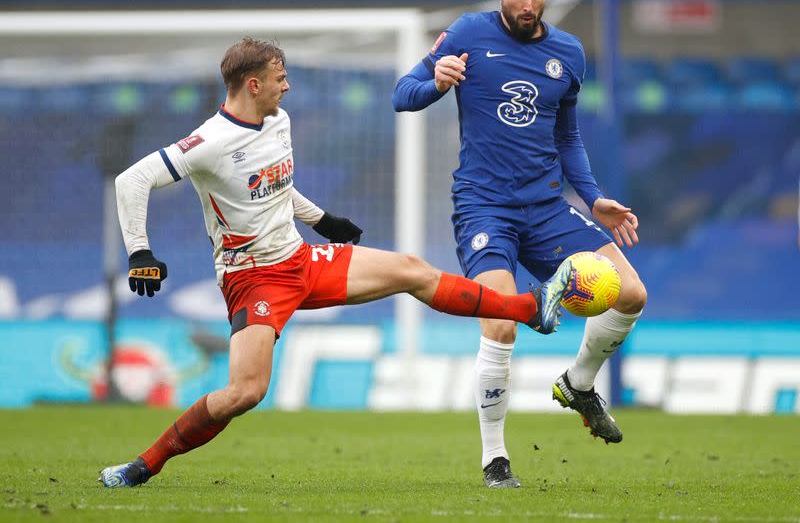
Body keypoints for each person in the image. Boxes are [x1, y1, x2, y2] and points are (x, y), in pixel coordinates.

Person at [99, 37, 575, 488]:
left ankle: (529, 309)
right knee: (245, 392)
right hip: (254, 279)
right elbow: (132, 181)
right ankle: (142, 466)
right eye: (280, 78)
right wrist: (140, 251)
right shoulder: (209, 142)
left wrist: (321, 220)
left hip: (301, 260)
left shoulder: (277, 121)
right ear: (253, 85)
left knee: (411, 269)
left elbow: (275, 186)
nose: (287, 86)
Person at [393, 0, 647, 488]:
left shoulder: (570, 54)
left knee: (632, 294)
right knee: (501, 321)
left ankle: (578, 385)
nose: (528, 5)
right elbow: (401, 94)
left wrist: (594, 197)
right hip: (484, 205)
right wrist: (436, 84)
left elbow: (568, 136)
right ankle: (495, 460)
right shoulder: (465, 34)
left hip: (547, 206)